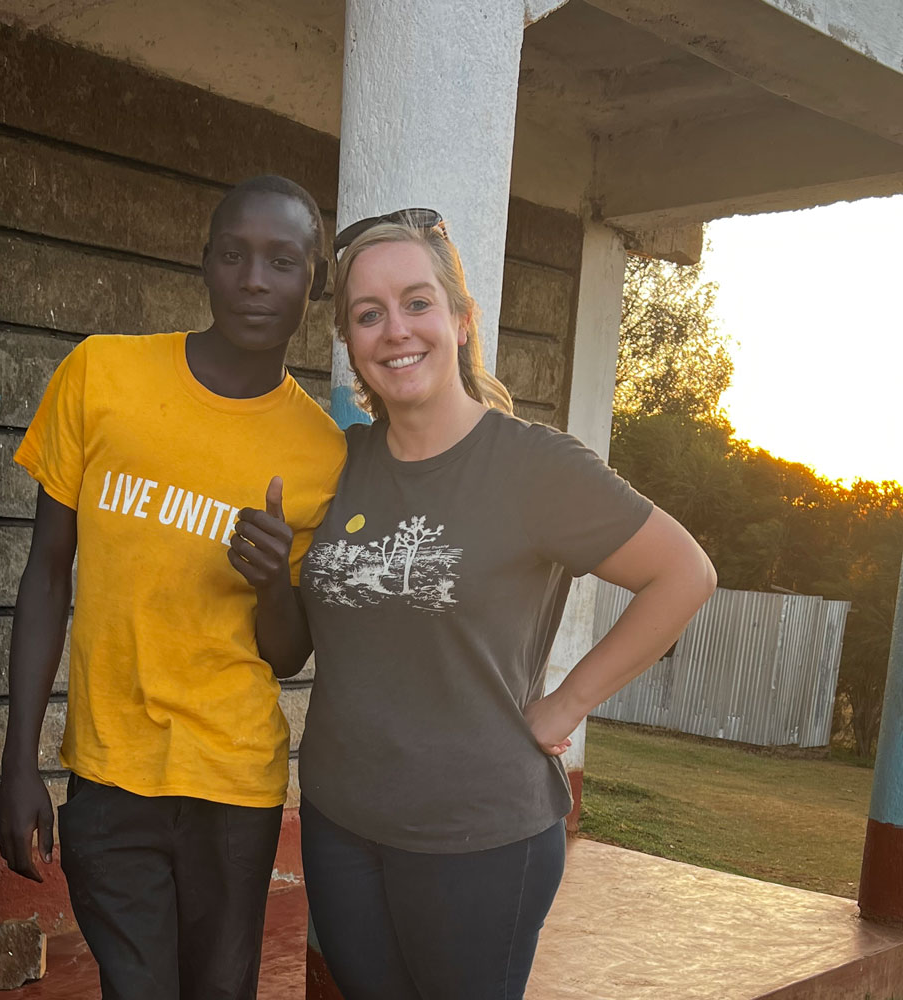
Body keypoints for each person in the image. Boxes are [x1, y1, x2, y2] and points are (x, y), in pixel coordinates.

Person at [243, 210, 717, 1000]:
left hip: (481, 837)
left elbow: (684, 574)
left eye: (418, 302)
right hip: (340, 822)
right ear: (352, 344)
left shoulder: (533, 465)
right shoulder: (341, 462)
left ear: (461, 320)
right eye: (369, 314)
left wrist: (565, 704)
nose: (396, 329)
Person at [0, 175, 346, 1000]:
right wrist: (19, 765)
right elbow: (45, 574)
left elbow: (288, 650)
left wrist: (270, 585)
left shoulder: (323, 455)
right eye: (234, 255)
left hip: (234, 783)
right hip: (109, 777)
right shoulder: (101, 375)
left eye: (282, 261)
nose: (254, 279)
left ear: (314, 285)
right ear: (206, 264)